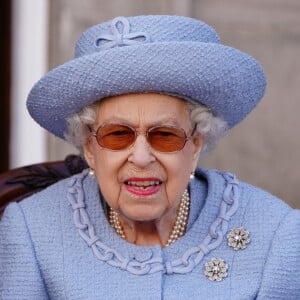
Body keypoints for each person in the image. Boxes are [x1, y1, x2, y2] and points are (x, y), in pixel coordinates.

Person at [0, 15, 299, 299]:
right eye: (117, 134)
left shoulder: (276, 235)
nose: (141, 158)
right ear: (90, 148)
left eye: (164, 136)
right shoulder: (31, 231)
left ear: (195, 145)